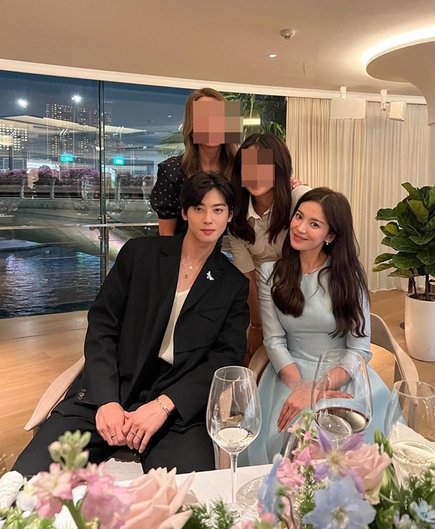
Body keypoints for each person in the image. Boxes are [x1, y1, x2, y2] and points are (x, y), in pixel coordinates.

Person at [14, 173, 249, 477]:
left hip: (175, 404)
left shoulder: (232, 284)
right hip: (111, 387)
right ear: (184, 212)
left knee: (192, 498)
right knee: (30, 482)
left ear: (229, 215)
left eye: (218, 210)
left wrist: (164, 405)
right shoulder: (140, 254)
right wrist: (107, 401)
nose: (208, 219)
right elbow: (102, 325)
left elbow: (224, 359)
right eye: (199, 208)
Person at [246, 187, 389, 464]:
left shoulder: (348, 277)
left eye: (314, 224)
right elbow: (274, 340)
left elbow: (359, 348)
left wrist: (316, 390)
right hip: (290, 372)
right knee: (294, 438)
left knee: (350, 450)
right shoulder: (271, 273)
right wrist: (300, 387)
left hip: (342, 375)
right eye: (298, 216)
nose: (300, 228)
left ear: (330, 236)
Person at [227, 133, 310, 362]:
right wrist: (256, 325)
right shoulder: (236, 216)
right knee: (253, 358)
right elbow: (248, 277)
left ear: (279, 167)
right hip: (263, 297)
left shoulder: (300, 199)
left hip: (305, 293)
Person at [149, 87, 239, 235]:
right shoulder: (172, 170)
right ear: (191, 127)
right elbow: (166, 237)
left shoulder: (242, 167)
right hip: (183, 247)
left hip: (236, 247)